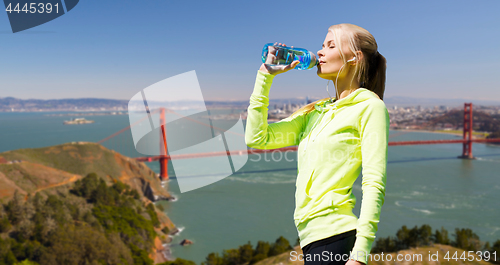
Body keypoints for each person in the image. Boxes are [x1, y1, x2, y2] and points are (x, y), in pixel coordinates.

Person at [245, 23, 389, 265]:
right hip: (311, 240)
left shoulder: (369, 107)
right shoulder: (315, 112)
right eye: (322, 46)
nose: (320, 52)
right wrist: (265, 76)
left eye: (330, 45)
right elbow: (257, 138)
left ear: (355, 57)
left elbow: (374, 182)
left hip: (337, 238)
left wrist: (360, 255)